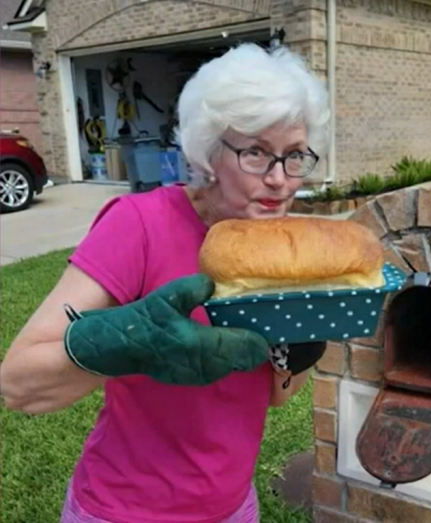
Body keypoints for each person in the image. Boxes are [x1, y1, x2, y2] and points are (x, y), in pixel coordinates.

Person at [0, 43, 330, 523]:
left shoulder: (279, 247)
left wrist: (300, 345)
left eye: (294, 155)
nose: (280, 179)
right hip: (123, 511)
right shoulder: (139, 224)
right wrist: (127, 344)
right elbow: (18, 386)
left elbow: (275, 396)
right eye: (256, 152)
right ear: (210, 151)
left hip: (234, 507)